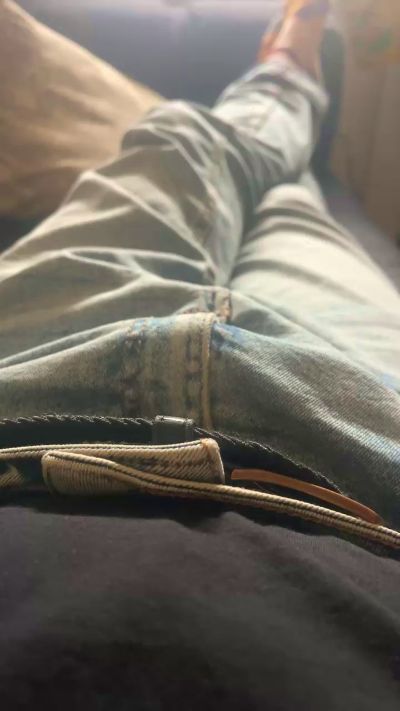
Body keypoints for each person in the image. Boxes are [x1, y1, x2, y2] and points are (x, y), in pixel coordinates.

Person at [0, 0, 400, 532]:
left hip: (21, 373)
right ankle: (286, 95)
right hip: (373, 435)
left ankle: (282, 87)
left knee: (178, 139)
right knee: (290, 204)